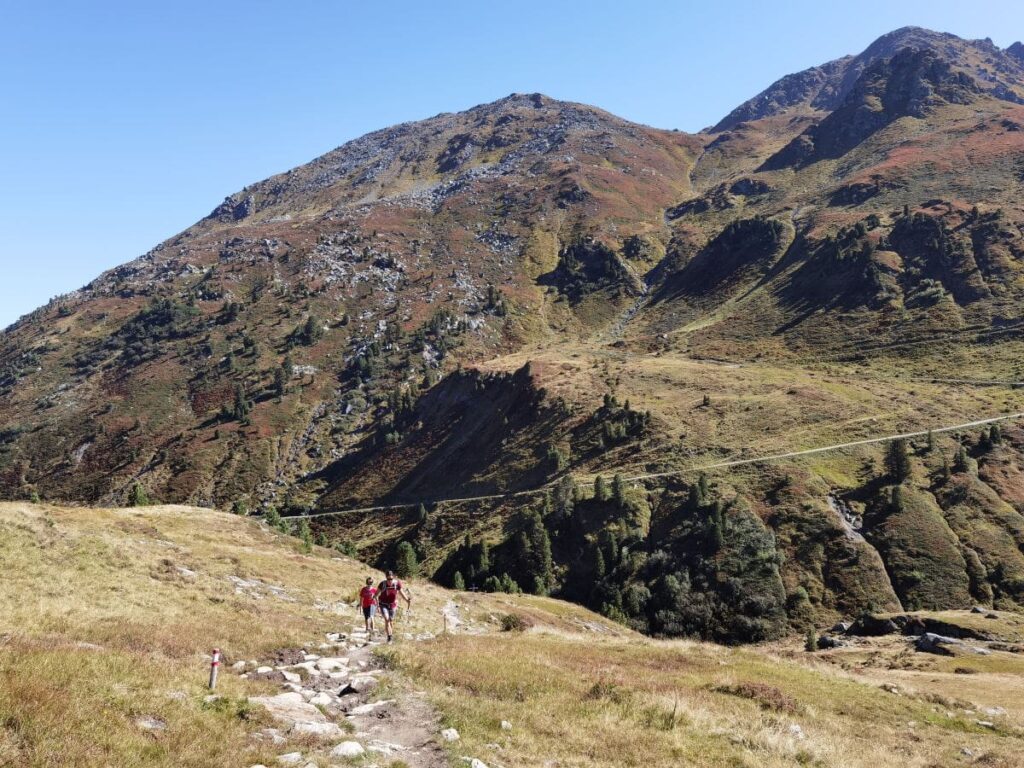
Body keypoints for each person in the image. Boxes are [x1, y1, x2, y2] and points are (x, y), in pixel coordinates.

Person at [377, 569, 412, 643]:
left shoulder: (397, 584)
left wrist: (407, 600)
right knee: (387, 619)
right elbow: (377, 593)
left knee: (391, 621)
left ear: (393, 577)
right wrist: (375, 602)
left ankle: (390, 635)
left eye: (391, 578)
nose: (390, 580)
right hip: (383, 604)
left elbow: (401, 593)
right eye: (388, 578)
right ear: (386, 577)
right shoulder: (382, 584)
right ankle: (389, 637)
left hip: (393, 605)